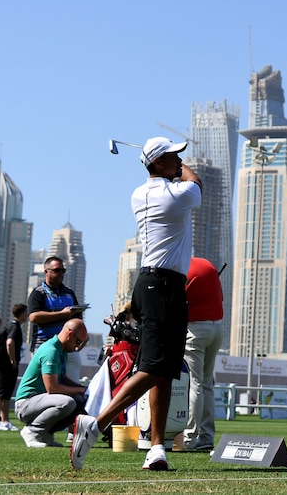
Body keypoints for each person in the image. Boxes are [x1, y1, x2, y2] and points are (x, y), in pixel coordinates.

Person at [71, 137, 201, 471]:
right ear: (159, 163)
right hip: (161, 288)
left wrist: (167, 161)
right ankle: (96, 424)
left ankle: (157, 447)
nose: (179, 160)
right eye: (173, 155)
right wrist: (183, 166)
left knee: (166, 371)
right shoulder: (176, 194)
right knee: (155, 368)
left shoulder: (139, 193)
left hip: (157, 286)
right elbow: (196, 182)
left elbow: (177, 177)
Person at [14, 319, 89, 448]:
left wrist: (84, 390)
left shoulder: (61, 350)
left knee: (80, 400)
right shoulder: (51, 351)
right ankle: (32, 431)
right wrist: (80, 390)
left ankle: (46, 434)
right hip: (26, 404)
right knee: (67, 403)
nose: (77, 347)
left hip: (40, 402)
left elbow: (62, 379)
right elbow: (52, 388)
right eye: (78, 342)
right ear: (70, 335)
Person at [183, 256, 223, 452]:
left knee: (195, 384)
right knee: (206, 385)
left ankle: (189, 438)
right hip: (216, 328)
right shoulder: (207, 264)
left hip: (196, 329)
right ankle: (206, 437)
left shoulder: (182, 268)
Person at [28, 256, 83, 381]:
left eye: (63, 271)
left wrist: (80, 339)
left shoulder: (69, 292)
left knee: (72, 385)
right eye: (57, 270)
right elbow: (33, 317)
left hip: (68, 349)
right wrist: (62, 314)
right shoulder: (38, 293)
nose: (61, 273)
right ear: (46, 272)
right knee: (47, 388)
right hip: (44, 346)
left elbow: (77, 318)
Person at [0, 303, 28, 431]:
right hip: (6, 365)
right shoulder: (14, 327)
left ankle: (5, 421)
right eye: (26, 313)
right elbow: (9, 342)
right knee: (0, 393)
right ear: (21, 313)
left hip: (4, 364)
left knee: (6, 394)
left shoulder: (10, 326)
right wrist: (13, 360)